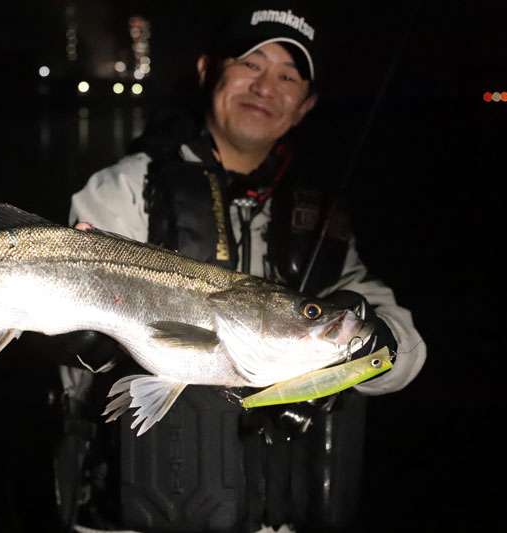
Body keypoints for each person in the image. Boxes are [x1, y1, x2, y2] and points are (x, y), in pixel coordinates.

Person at [56, 3, 426, 532]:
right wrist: (84, 344)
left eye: (287, 75)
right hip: (132, 511)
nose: (264, 86)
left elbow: (405, 352)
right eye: (250, 64)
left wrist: (368, 343)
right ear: (208, 72)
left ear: (305, 105)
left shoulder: (320, 218)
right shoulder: (124, 190)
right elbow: (67, 351)